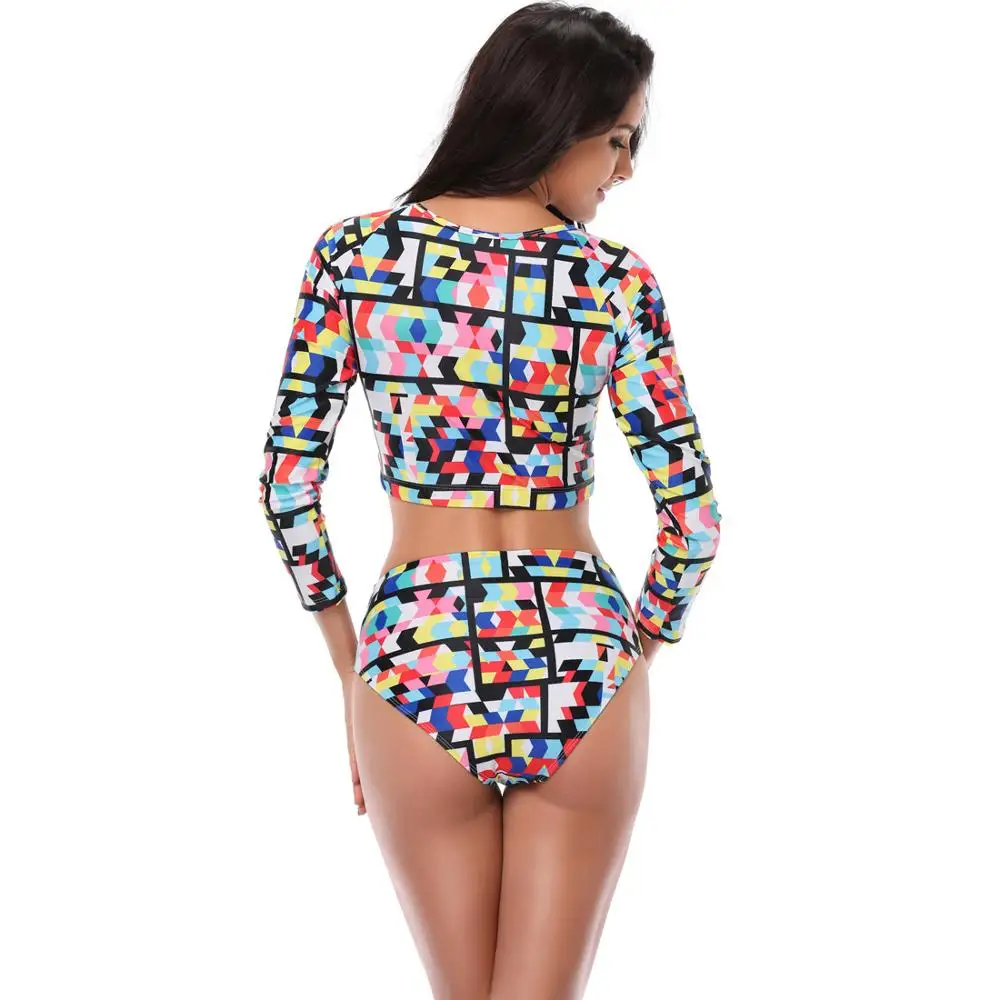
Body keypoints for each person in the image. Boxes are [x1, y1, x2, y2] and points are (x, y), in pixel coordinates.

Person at [257, 4, 722, 997]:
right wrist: (630, 657)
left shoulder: (354, 256)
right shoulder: (612, 281)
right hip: (580, 646)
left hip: (414, 652)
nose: (624, 172)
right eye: (619, 140)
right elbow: (692, 514)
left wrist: (349, 668)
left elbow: (286, 486)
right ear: (559, 122)